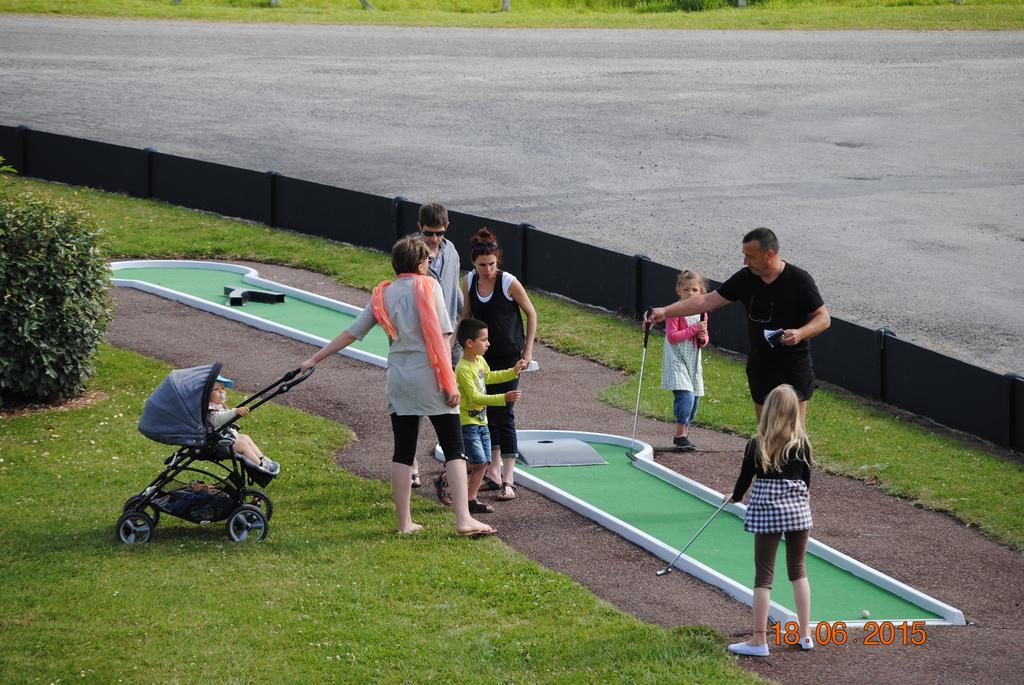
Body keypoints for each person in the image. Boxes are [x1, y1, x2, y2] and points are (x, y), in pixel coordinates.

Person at [299, 236, 496, 536]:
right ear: (420, 264)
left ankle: (404, 522)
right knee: (454, 447)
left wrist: (315, 359)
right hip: (432, 375)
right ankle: (463, 519)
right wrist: (449, 381)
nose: (430, 266)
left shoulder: (383, 294)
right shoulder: (429, 287)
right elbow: (444, 338)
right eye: (428, 262)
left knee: (403, 450)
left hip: (400, 379)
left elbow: (352, 333)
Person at [647, 228, 830, 424]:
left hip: (794, 365)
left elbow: (823, 318)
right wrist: (665, 311)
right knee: (764, 430)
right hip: (761, 364)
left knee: (795, 431)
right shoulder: (745, 278)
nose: (745, 261)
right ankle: (764, 455)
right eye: (744, 255)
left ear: (770, 254)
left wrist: (800, 333)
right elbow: (706, 301)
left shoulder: (799, 280)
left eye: (750, 256)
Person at [726, 384, 814, 656]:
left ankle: (759, 640)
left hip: (767, 510)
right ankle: (805, 635)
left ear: (768, 412)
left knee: (764, 575)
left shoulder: (756, 443)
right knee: (798, 570)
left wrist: (735, 497)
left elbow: (744, 478)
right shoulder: (802, 443)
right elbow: (806, 482)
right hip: (798, 511)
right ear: (793, 413)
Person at [461, 227, 537, 502]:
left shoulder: (508, 283)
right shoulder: (468, 281)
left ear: (498, 260)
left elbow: (531, 312)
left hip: (509, 357)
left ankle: (509, 477)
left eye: (492, 264)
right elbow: (467, 318)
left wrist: (527, 351)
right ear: (473, 262)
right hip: (482, 357)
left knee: (505, 413)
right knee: (484, 410)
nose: (487, 270)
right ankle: (492, 471)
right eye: (482, 265)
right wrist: (461, 350)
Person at [410, 202, 464, 490]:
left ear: (447, 227)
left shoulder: (451, 251)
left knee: (450, 398)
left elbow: (453, 289)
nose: (433, 239)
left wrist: (461, 324)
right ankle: (412, 463)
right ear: (420, 227)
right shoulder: (411, 253)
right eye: (429, 233)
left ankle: (453, 462)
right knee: (417, 402)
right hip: (422, 340)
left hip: (450, 337)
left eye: (439, 233)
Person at [455, 318, 527, 512]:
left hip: (482, 421)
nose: (488, 344)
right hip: (468, 421)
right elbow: (476, 397)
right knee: (478, 460)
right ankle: (450, 475)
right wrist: (504, 397)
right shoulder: (462, 368)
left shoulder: (479, 361)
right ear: (470, 343)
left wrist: (513, 372)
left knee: (484, 461)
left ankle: (471, 499)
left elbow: (490, 376)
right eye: (484, 340)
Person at [661, 270, 710, 452]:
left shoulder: (702, 313)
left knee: (695, 398)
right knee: (686, 396)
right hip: (676, 360)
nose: (690, 293)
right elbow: (673, 337)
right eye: (686, 289)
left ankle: (685, 435)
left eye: (695, 290)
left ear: (701, 291)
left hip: (693, 362)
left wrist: (702, 337)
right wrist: (694, 329)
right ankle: (679, 435)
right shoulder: (675, 311)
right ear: (679, 291)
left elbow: (704, 340)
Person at [207, 375, 279, 474]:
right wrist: (234, 412)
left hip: (224, 436)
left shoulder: (219, 405)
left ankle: (263, 459)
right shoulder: (209, 408)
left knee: (245, 438)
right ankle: (260, 466)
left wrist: (234, 412)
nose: (221, 391)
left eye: (223, 388)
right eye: (216, 389)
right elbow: (217, 419)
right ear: (206, 394)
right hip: (216, 443)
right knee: (242, 445)